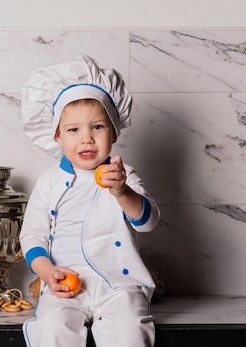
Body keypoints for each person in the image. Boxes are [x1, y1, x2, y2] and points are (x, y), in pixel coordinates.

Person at [19, 55, 160, 347]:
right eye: (73, 130)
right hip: (66, 286)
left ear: (114, 132)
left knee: (131, 329)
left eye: (97, 127)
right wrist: (47, 272)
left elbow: (148, 222)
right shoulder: (49, 182)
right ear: (57, 135)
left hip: (119, 285)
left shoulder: (123, 175)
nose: (86, 139)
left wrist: (122, 192)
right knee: (51, 328)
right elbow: (32, 235)